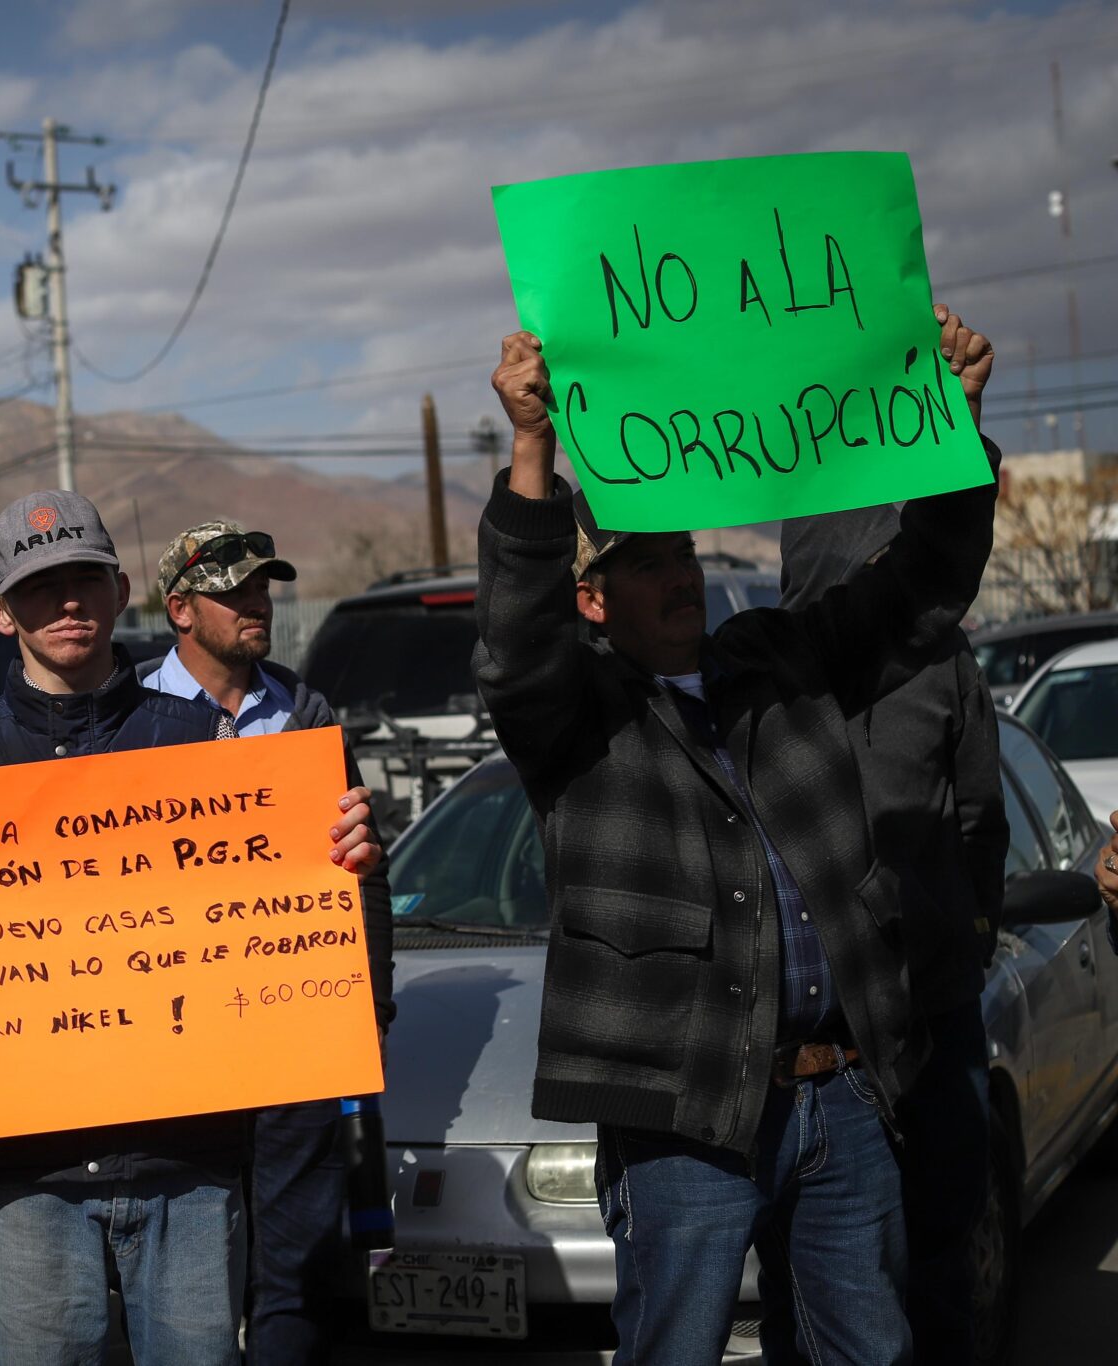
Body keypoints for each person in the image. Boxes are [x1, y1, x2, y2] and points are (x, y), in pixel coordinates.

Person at [474, 307, 998, 1364]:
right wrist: (532, 448)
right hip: (683, 1118)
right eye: (643, 561)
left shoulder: (777, 657)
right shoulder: (572, 716)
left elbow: (921, 585)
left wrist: (951, 424)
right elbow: (514, 642)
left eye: (681, 550)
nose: (676, 575)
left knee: (870, 1349)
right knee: (677, 1346)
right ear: (590, 595)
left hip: (843, 1094)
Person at [0, 490, 381, 1366]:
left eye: (83, 580)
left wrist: (343, 860)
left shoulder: (216, 752)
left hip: (187, 1170)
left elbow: (281, 924)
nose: (67, 604)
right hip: (22, 1180)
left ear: (120, 592)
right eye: (39, 589)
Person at [140, 520, 395, 1364]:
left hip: (295, 1034)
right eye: (234, 591)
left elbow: (360, 870)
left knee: (296, 1263)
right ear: (180, 609)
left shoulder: (305, 711)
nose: (258, 603)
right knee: (193, 1255)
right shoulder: (129, 714)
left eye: (264, 587)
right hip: (182, 1043)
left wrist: (373, 1000)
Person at [777, 507, 1010, 1365]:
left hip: (934, 1012)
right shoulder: (773, 675)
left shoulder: (947, 667)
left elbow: (982, 823)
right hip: (820, 1039)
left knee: (940, 1246)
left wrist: (966, 940)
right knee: (819, 1279)